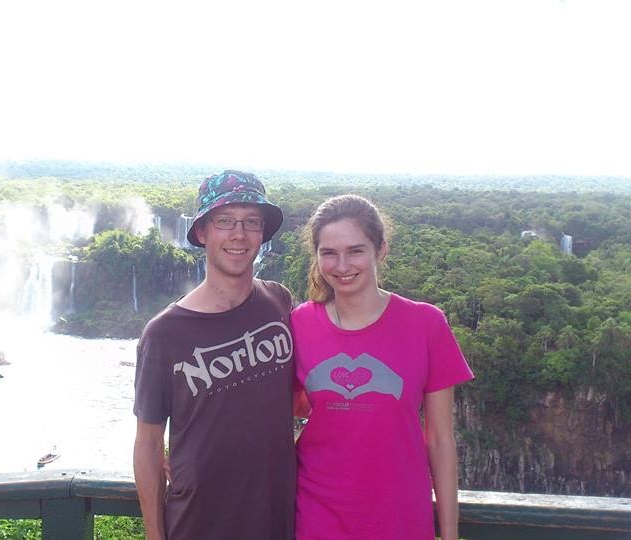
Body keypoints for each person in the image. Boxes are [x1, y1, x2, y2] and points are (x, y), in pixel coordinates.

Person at [291, 194, 474, 540]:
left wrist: (448, 534)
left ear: (381, 250)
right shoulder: (300, 323)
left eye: (356, 250)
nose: (342, 265)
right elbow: (271, 413)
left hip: (400, 515)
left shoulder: (425, 325)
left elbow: (440, 440)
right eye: (328, 252)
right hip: (317, 513)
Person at [133, 170, 296, 540]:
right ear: (202, 232)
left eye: (251, 222)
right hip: (199, 523)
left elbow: (299, 392)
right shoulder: (163, 334)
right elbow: (147, 445)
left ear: (263, 234)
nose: (238, 234)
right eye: (224, 221)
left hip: (276, 518)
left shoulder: (279, 302)